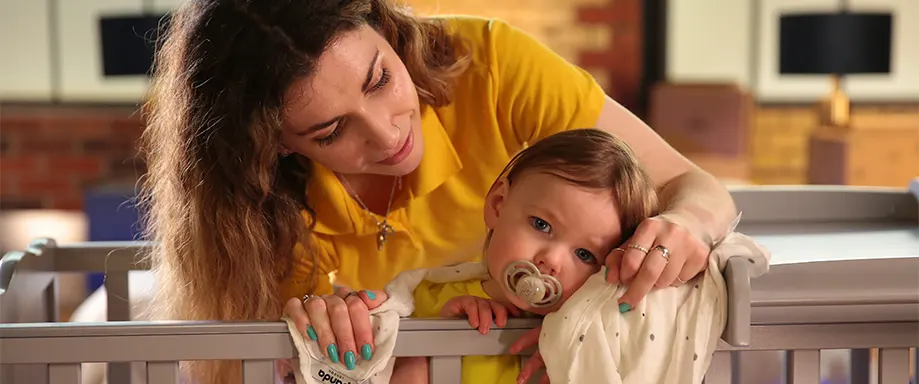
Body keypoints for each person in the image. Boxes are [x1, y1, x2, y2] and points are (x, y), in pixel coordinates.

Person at [133, 0, 738, 382]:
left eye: (379, 80)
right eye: (331, 130)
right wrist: (327, 345)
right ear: (276, 143)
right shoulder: (261, 221)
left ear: (380, 22)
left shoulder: (493, 66)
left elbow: (698, 188)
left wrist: (683, 225)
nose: (389, 131)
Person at [387, 128, 660, 383]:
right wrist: (433, 344)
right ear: (498, 205)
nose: (551, 260)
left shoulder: (594, 337)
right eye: (541, 224)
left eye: (584, 254)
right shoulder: (422, 300)